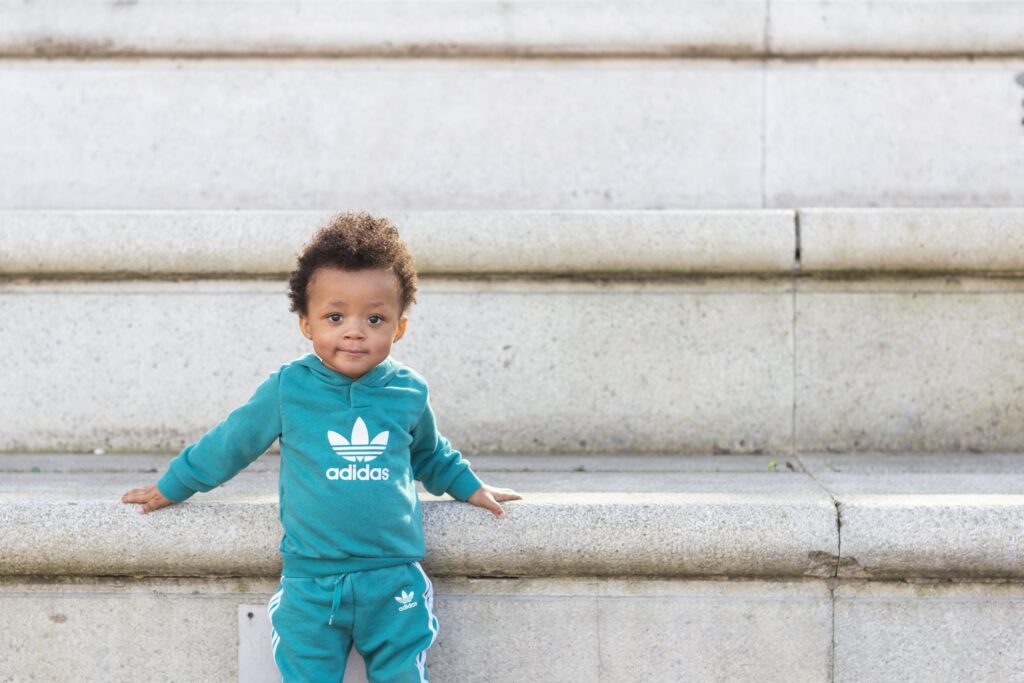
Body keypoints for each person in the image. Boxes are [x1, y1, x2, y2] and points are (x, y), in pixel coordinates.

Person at [121, 212, 522, 682]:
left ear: (399, 328)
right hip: (311, 582)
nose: (354, 331)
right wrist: (176, 484)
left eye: (375, 318)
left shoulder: (408, 391)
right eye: (335, 317)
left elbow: (430, 455)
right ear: (307, 325)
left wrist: (471, 487)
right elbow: (232, 442)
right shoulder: (289, 389)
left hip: (393, 578)